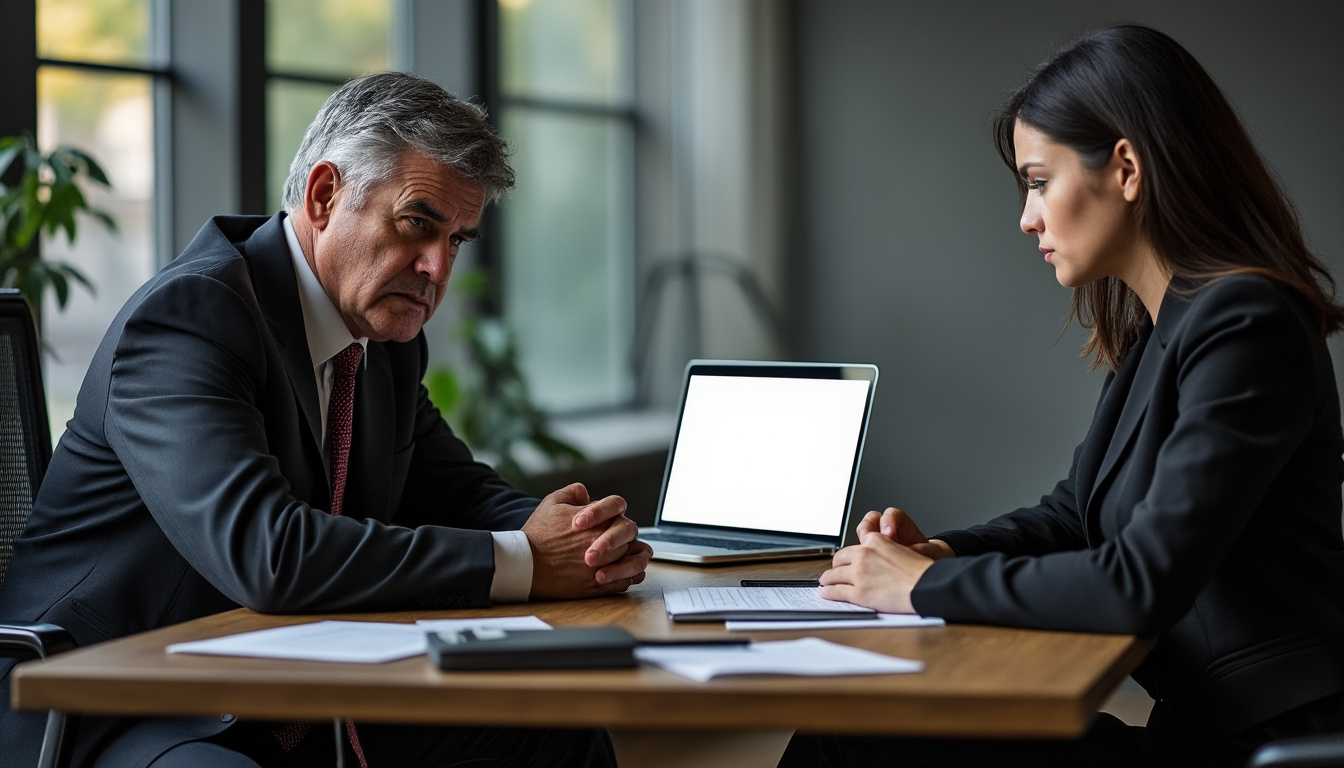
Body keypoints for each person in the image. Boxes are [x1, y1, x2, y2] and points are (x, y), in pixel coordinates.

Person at [0, 72, 651, 768]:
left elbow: (457, 490)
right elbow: (269, 553)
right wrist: (524, 560)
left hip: (283, 686)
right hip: (114, 705)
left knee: (556, 733)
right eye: (418, 223)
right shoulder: (191, 319)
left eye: (457, 239)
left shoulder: (384, 337)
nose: (437, 268)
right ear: (323, 197)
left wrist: (581, 540)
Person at [781, 24, 1344, 768]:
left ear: (1127, 169)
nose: (1027, 217)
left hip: (1257, 748)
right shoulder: (1162, 331)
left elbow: (1140, 582)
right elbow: (1074, 515)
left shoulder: (1247, 325)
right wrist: (940, 551)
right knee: (850, 719)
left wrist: (928, 585)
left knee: (855, 729)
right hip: (1197, 733)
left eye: (1040, 181)